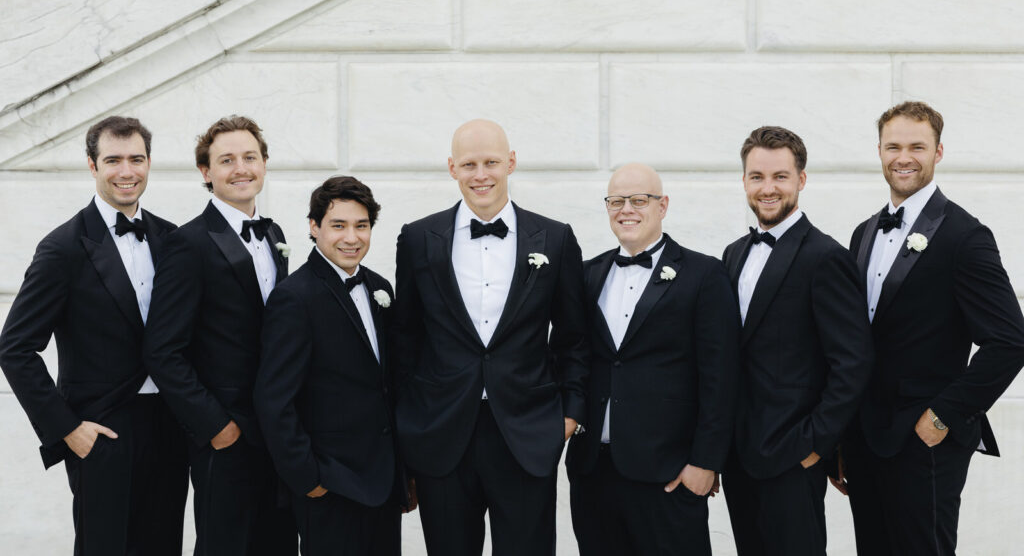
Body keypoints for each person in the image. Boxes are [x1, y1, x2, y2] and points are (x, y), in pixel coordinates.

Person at [392, 118, 589, 556]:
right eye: (469, 164)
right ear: (452, 168)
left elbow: (574, 337)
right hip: (442, 433)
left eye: (491, 162)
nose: (481, 175)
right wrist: (408, 419)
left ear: (511, 163)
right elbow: (405, 337)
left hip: (527, 431)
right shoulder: (418, 238)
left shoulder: (555, 238)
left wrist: (569, 414)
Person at [838, 102, 1024, 556]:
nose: (904, 157)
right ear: (879, 151)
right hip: (865, 438)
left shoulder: (965, 235)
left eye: (917, 146)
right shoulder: (863, 233)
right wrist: (841, 436)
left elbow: (1010, 340)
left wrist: (941, 416)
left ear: (938, 151)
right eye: (894, 146)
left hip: (925, 441)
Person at [0, 116, 188, 556]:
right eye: (114, 160)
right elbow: (15, 347)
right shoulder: (62, 247)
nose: (127, 171)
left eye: (137, 159)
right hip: (102, 431)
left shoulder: (173, 239)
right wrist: (68, 429)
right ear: (92, 165)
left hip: (170, 426)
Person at [566, 163, 739, 556]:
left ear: (663, 206)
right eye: (616, 201)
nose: (626, 209)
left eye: (639, 200)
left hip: (670, 472)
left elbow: (721, 375)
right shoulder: (587, 274)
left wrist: (705, 463)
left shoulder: (703, 274)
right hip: (594, 471)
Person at [144, 115, 296, 556]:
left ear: (264, 164)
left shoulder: (275, 234)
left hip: (277, 430)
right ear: (206, 173)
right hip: (227, 435)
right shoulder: (189, 243)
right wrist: (216, 426)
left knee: (279, 543)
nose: (241, 168)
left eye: (250, 157)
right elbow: (162, 350)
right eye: (226, 160)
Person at [722, 126, 873, 556]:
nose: (768, 188)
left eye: (780, 176)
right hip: (738, 455)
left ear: (801, 180)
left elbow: (853, 362)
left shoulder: (825, 257)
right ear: (745, 181)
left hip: (791, 455)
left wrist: (815, 445)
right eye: (757, 177)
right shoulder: (734, 253)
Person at [255, 175, 412, 556]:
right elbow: (273, 400)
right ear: (314, 227)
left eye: (361, 226)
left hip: (384, 484)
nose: (351, 237)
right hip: (331, 484)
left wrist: (404, 474)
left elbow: (387, 383)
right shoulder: (294, 297)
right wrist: (308, 478)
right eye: (338, 225)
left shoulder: (380, 287)